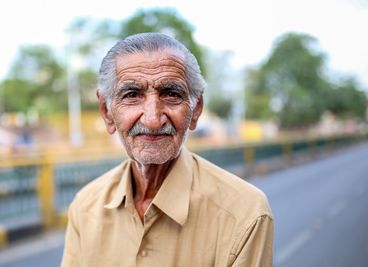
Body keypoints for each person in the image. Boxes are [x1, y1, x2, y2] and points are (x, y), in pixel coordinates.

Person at [61, 32, 274, 267]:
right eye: (132, 95)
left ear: (196, 110)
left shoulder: (244, 213)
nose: (153, 119)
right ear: (106, 112)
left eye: (172, 94)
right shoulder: (86, 206)